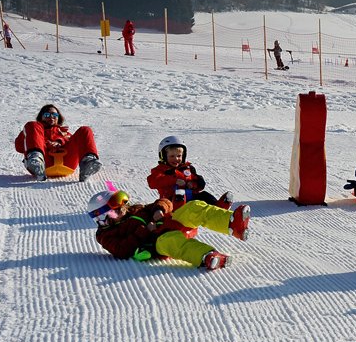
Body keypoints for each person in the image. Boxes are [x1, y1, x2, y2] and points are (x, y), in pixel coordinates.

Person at [88, 188, 251, 271]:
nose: (124, 209)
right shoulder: (105, 235)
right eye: (117, 210)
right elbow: (121, 250)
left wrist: (159, 209)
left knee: (193, 207)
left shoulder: (134, 209)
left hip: (170, 222)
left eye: (123, 206)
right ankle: (207, 256)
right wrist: (145, 231)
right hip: (155, 242)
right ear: (104, 217)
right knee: (172, 242)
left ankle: (232, 224)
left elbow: (164, 201)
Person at [13, 104, 101, 181]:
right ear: (41, 117)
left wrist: (60, 141)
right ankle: (36, 160)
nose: (51, 117)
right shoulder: (34, 129)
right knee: (32, 124)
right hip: (45, 162)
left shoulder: (64, 133)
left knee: (85, 130)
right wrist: (35, 137)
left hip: (67, 162)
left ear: (58, 117)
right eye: (47, 114)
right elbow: (19, 147)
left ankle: (88, 163)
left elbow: (74, 143)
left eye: (54, 115)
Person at [147, 136, 234, 209]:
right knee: (163, 204)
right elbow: (153, 182)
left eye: (179, 156)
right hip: (171, 200)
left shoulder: (187, 168)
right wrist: (174, 180)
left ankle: (219, 207)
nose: (176, 159)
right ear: (163, 156)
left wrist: (193, 184)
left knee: (204, 195)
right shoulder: (161, 170)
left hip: (189, 198)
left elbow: (199, 183)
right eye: (172, 156)